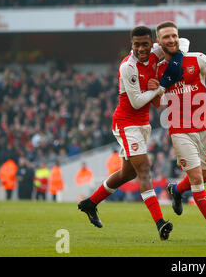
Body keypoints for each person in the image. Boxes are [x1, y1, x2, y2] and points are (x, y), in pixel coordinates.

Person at [78, 25, 189, 241]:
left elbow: (183, 43)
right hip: (126, 123)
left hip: (142, 124)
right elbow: (137, 101)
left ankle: (90, 204)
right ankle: (160, 223)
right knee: (144, 169)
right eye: (136, 44)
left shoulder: (157, 51)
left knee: (127, 173)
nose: (141, 48)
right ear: (131, 44)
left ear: (152, 43)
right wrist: (161, 86)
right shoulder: (127, 67)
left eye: (145, 44)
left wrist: (174, 58)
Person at [154, 21, 206, 240]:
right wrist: (156, 91)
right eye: (166, 37)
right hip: (180, 130)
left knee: (204, 175)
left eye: (174, 36)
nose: (171, 40)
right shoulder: (159, 68)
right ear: (159, 42)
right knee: (198, 178)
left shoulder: (197, 59)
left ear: (178, 37)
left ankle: (177, 190)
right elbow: (156, 103)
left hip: (203, 127)